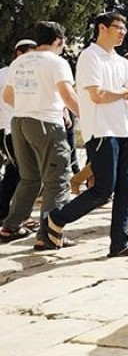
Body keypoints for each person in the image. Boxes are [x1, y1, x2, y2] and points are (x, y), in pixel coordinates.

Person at [42, 11, 128, 257]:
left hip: (125, 130)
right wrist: (123, 91)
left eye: (125, 29)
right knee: (103, 189)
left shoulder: (122, 62)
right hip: (102, 131)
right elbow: (98, 95)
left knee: (126, 189)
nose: (123, 32)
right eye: (118, 27)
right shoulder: (90, 57)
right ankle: (55, 219)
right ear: (102, 28)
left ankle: (119, 244)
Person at [0, 23, 79, 246]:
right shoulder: (57, 62)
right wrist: (91, 118)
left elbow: (7, 97)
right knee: (57, 181)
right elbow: (68, 96)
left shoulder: (20, 62)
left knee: (29, 178)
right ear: (59, 40)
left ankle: (10, 226)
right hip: (46, 123)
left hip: (19, 122)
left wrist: (29, 105)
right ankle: (49, 235)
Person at [0, 39, 36, 230]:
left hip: (25, 129)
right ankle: (12, 217)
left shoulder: (29, 75)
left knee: (18, 174)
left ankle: (11, 215)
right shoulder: (4, 75)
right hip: (9, 129)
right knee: (22, 174)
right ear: (19, 54)